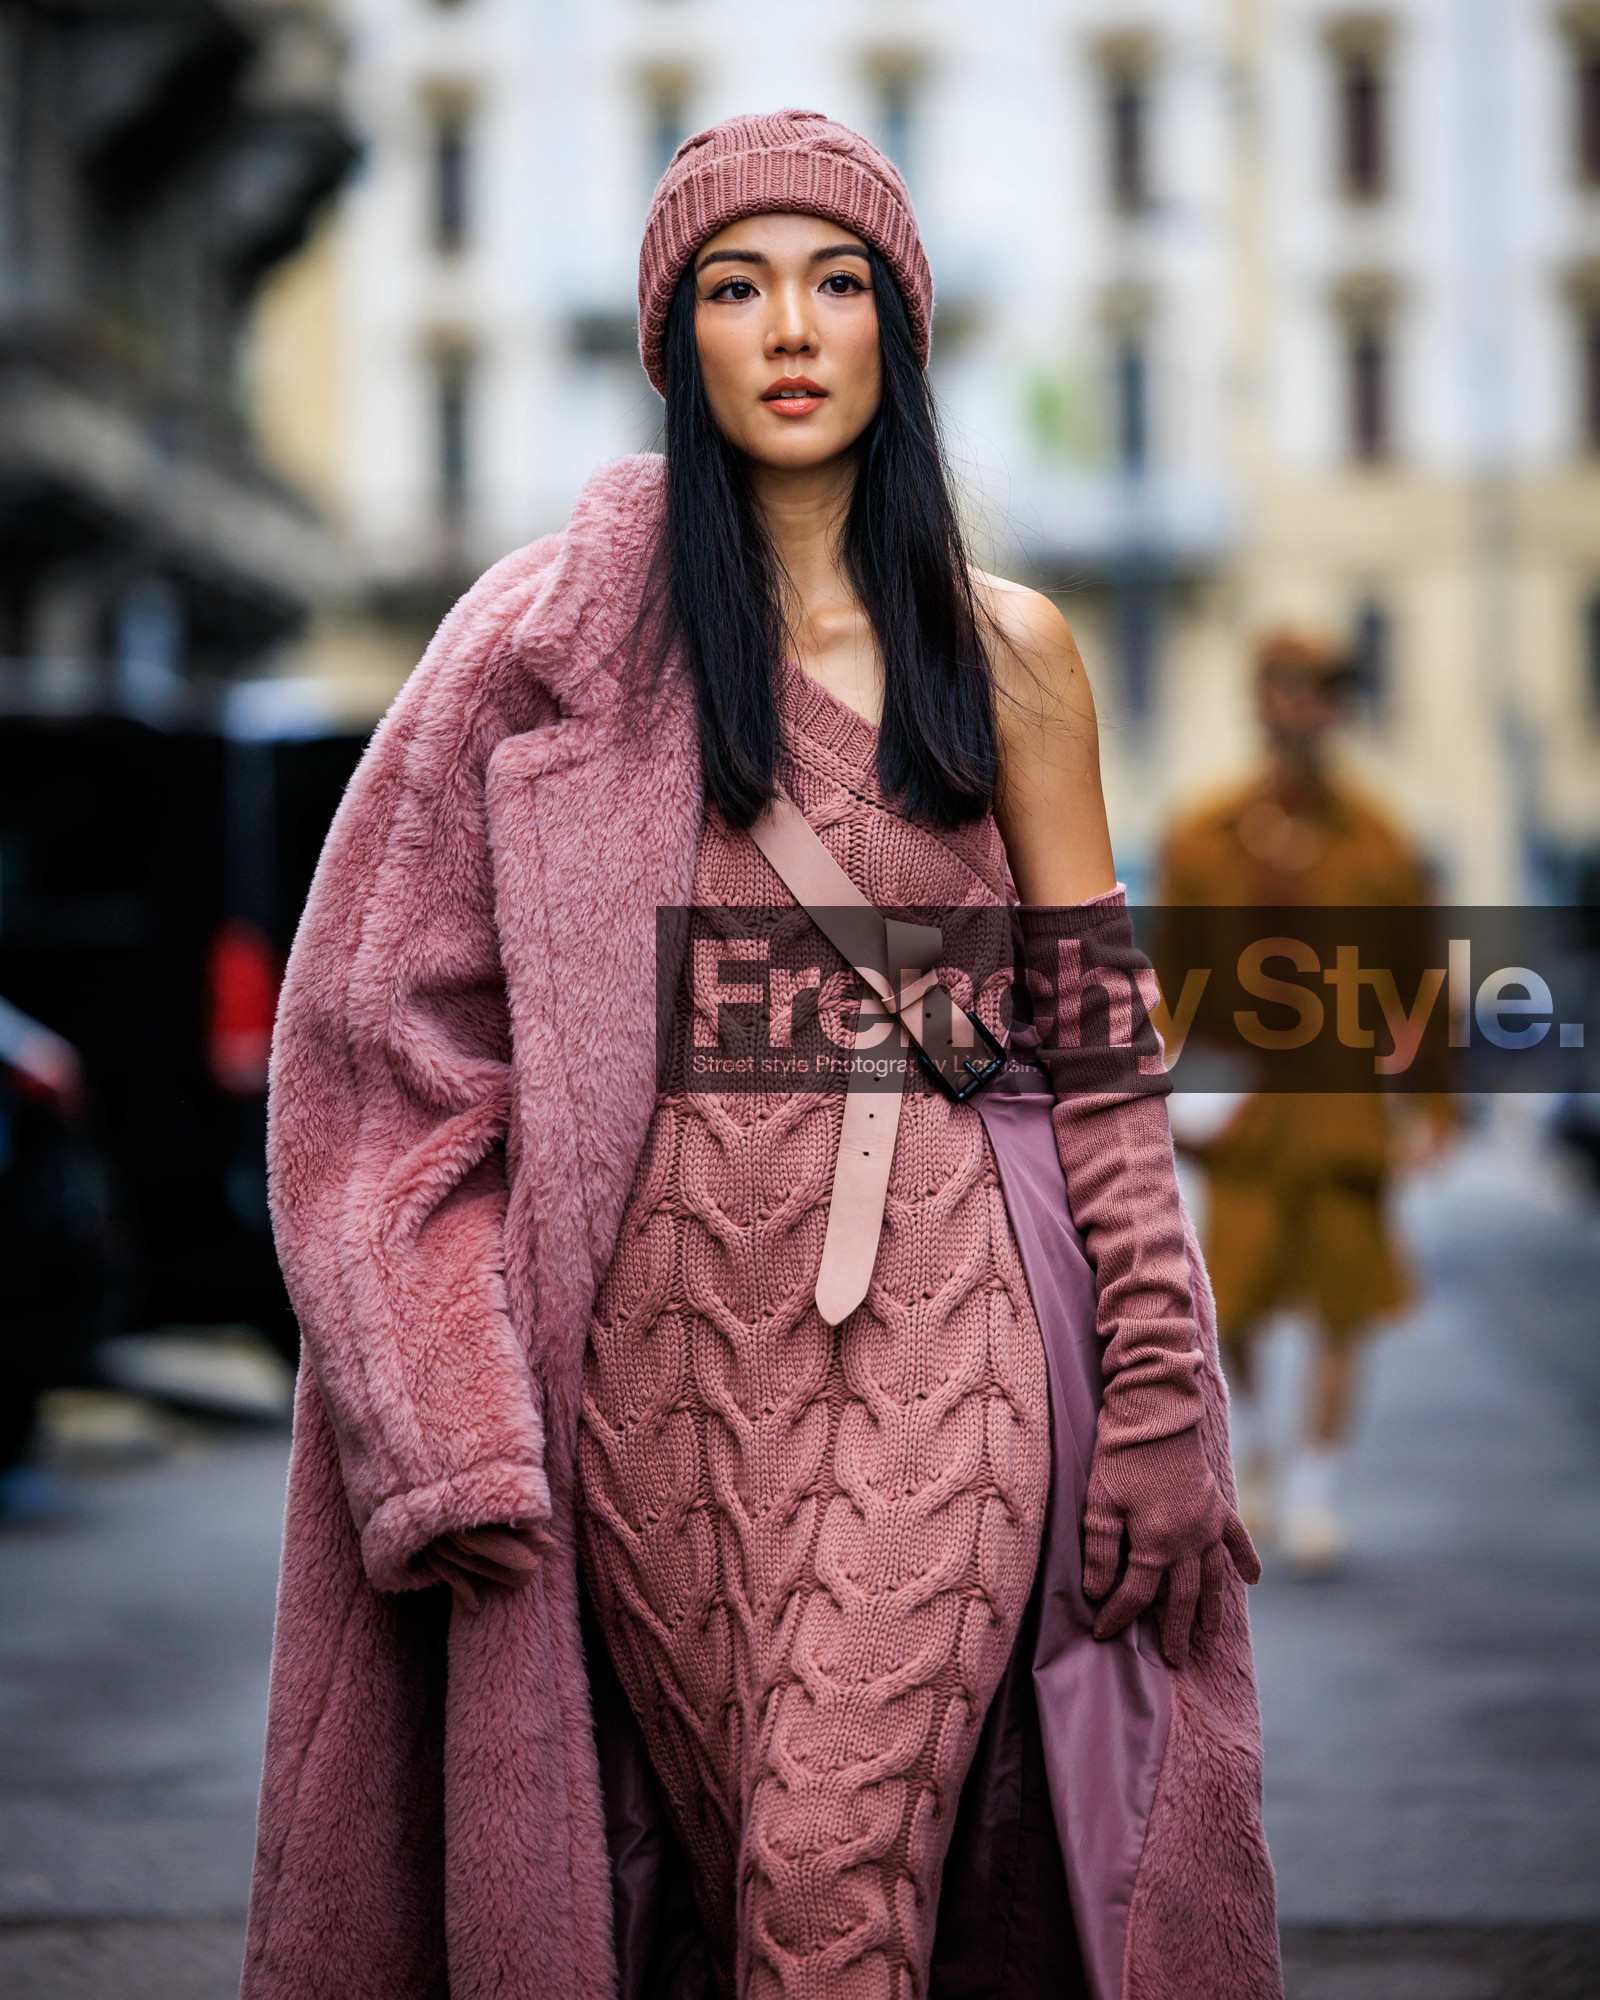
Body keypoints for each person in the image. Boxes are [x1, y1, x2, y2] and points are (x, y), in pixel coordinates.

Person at [241, 112, 1280, 2000]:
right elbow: (374, 1039)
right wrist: (441, 1405)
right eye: (736, 289)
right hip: (654, 1363)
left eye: (836, 283)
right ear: (679, 344)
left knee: (823, 1878)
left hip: (951, 1322)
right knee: (723, 1895)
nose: (791, 328)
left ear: (900, 329)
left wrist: (1157, 1389)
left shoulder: (1011, 650)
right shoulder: (542, 653)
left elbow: (1098, 1045)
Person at [1157, 628, 1456, 1571]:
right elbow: (1169, 980)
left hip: (1341, 1108)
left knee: (1343, 1300)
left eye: (1322, 688)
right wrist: (1154, 1089)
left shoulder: (1378, 840)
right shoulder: (1203, 837)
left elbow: (1419, 985)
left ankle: (1318, 1488)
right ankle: (1261, 1451)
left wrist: (1436, 1106)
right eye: (1287, 685)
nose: (1303, 705)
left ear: (1338, 706)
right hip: (1242, 1112)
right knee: (1231, 1298)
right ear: (1260, 697)